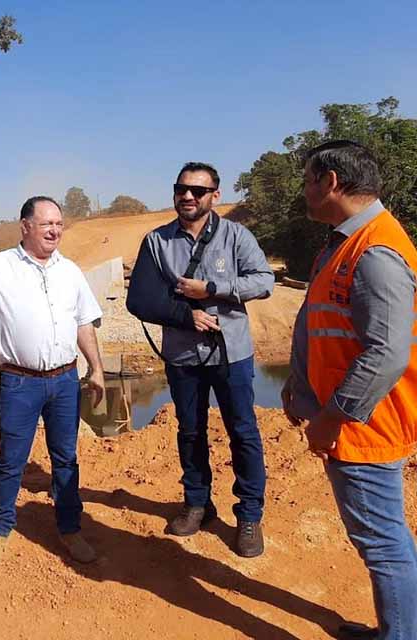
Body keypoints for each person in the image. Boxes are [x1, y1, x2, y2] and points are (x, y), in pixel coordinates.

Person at [281, 140, 417, 640]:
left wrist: (331, 418)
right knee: (383, 537)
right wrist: (299, 381)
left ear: (331, 182)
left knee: (382, 542)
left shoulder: (376, 250)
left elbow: (385, 354)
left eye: (308, 182)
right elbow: (319, 322)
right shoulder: (341, 243)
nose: (305, 192)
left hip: (366, 427)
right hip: (354, 421)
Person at [0, 196, 105, 565]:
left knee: (65, 458)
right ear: (25, 226)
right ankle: (0, 529)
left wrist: (95, 368)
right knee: (11, 461)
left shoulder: (70, 271)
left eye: (59, 224)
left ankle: (70, 529)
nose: (54, 231)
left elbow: (83, 323)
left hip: (64, 381)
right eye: (47, 224)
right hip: (19, 384)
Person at [126, 162, 274, 557]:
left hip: (233, 354)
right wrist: (184, 315)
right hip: (181, 356)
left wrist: (213, 287)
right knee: (190, 430)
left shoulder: (236, 236)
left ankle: (249, 515)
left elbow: (264, 281)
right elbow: (139, 299)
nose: (187, 196)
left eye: (196, 190)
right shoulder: (156, 242)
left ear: (214, 196)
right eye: (180, 189)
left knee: (242, 432)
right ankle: (197, 503)